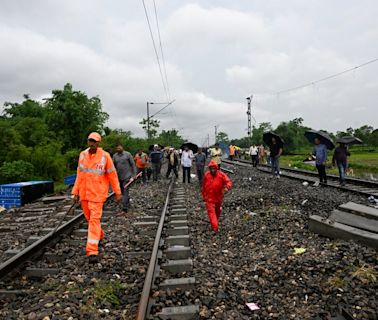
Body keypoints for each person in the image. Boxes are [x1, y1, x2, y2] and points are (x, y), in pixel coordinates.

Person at [72, 132, 122, 263]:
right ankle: (99, 235)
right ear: (88, 142)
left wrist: (117, 191)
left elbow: (112, 175)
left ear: (99, 143)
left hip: (98, 194)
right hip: (84, 193)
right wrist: (75, 191)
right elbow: (79, 174)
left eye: (94, 141)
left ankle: (92, 250)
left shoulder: (105, 157)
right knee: (90, 219)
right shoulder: (82, 155)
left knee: (94, 220)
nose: (92, 143)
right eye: (90, 141)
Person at [202, 160, 232, 232]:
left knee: (217, 211)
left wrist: (226, 188)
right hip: (209, 198)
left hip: (218, 197)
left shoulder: (221, 175)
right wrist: (204, 195)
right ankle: (215, 227)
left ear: (216, 168)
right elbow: (203, 186)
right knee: (211, 212)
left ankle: (215, 222)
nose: (212, 170)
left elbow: (228, 182)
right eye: (211, 168)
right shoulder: (206, 175)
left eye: (214, 168)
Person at [112, 144, 136, 213]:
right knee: (122, 191)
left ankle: (124, 207)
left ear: (122, 147)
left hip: (127, 176)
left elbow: (133, 164)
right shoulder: (115, 156)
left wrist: (134, 174)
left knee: (125, 190)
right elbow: (113, 166)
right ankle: (127, 202)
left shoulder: (127, 154)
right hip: (119, 177)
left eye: (119, 147)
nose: (118, 148)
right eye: (117, 147)